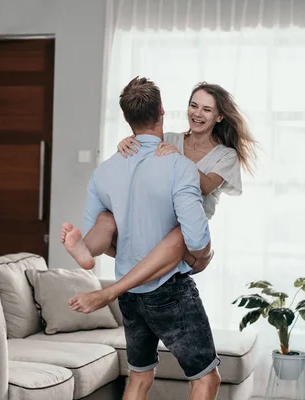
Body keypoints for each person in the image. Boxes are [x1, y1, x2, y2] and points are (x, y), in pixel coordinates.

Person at [71, 76, 221, 399]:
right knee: (206, 379)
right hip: (168, 289)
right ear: (162, 111)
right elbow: (195, 240)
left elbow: (104, 234)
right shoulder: (179, 166)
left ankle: (95, 268)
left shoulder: (105, 171)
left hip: (129, 291)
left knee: (140, 376)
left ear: (127, 120)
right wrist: (206, 255)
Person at [62, 81, 256, 313]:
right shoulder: (171, 139)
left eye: (206, 109)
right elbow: (143, 155)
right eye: (193, 106)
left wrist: (179, 160)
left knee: (179, 236)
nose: (197, 113)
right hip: (153, 224)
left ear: (220, 117)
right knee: (106, 219)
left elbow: (206, 186)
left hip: (184, 233)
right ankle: (86, 248)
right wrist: (126, 142)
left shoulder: (226, 155)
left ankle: (110, 292)